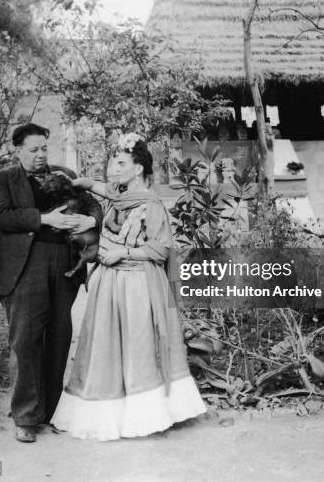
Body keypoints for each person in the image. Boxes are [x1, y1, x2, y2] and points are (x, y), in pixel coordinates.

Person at [51, 133, 207, 440]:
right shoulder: (118, 196)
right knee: (105, 349)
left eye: (121, 163)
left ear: (138, 169)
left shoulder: (151, 204)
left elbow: (161, 249)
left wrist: (124, 252)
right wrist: (78, 181)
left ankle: (143, 416)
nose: (114, 167)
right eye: (113, 161)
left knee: (137, 349)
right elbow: (100, 187)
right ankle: (106, 414)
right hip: (109, 283)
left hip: (138, 283)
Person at [0, 123, 103, 443]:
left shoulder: (64, 173)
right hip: (25, 267)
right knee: (25, 341)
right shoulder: (3, 179)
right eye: (33, 150)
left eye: (44, 149)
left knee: (59, 338)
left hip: (64, 264)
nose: (40, 156)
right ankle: (26, 416)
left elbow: (95, 207)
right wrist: (45, 219)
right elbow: (0, 216)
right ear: (18, 150)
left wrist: (89, 220)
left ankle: (51, 412)